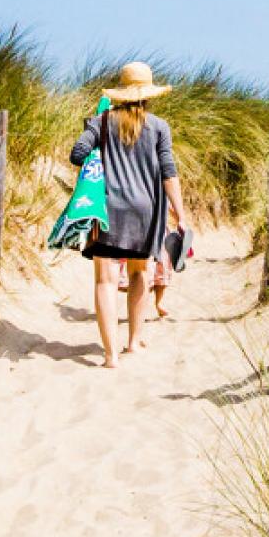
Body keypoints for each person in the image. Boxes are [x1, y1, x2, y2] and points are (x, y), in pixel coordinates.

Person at [69, 61, 191, 367]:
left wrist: (97, 143)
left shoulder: (101, 122)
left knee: (105, 282)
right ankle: (133, 342)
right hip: (146, 211)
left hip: (108, 210)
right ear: (148, 95)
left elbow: (77, 154)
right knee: (140, 274)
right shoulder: (160, 127)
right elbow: (168, 172)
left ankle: (110, 356)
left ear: (121, 94)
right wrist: (180, 212)